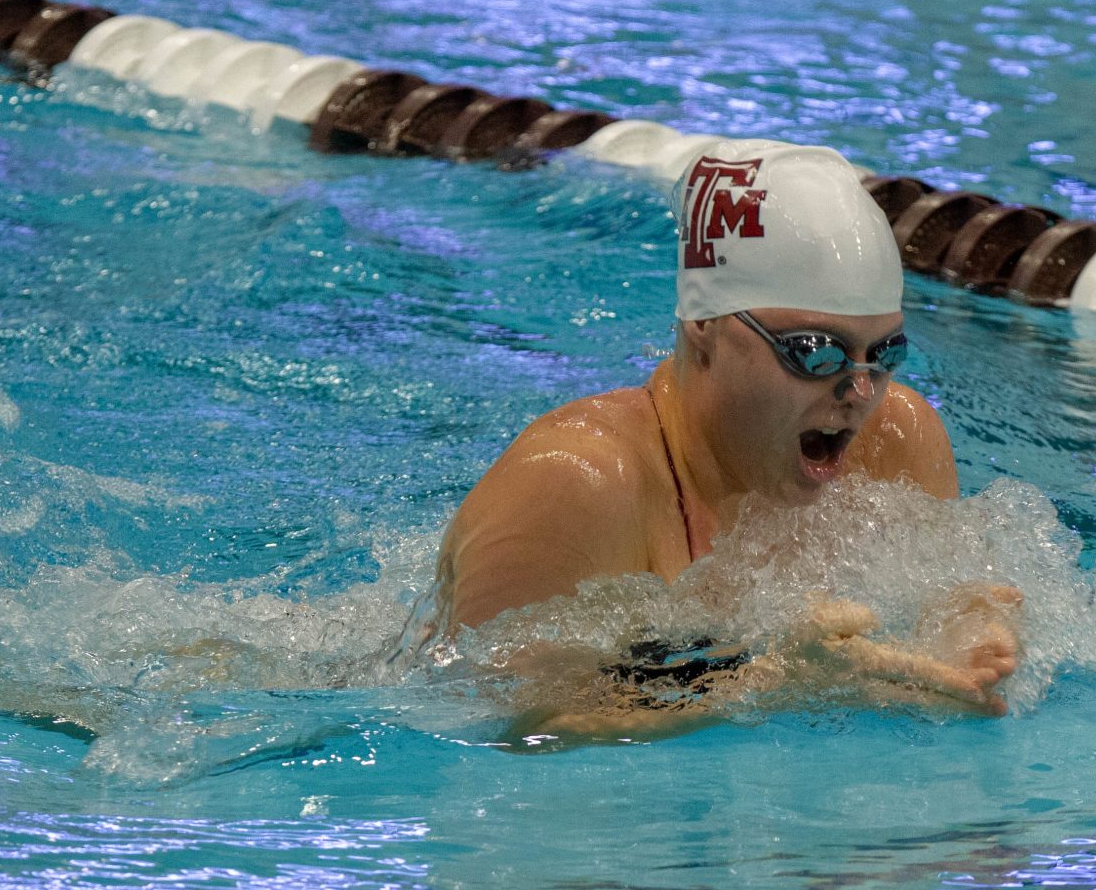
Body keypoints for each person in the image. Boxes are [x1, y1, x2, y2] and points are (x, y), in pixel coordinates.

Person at [436, 143, 1022, 740]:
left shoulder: (895, 439)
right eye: (815, 352)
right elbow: (495, 724)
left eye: (886, 353)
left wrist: (969, 630)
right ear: (705, 330)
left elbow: (956, 593)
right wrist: (774, 685)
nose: (861, 391)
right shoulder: (577, 484)